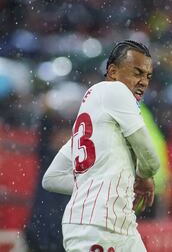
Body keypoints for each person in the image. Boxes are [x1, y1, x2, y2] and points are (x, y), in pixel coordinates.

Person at [42, 40, 160, 252]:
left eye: (148, 76)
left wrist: (96, 183)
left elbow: (51, 178)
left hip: (117, 225)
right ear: (113, 72)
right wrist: (143, 177)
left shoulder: (95, 121)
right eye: (137, 73)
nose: (143, 82)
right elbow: (151, 158)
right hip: (97, 225)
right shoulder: (115, 91)